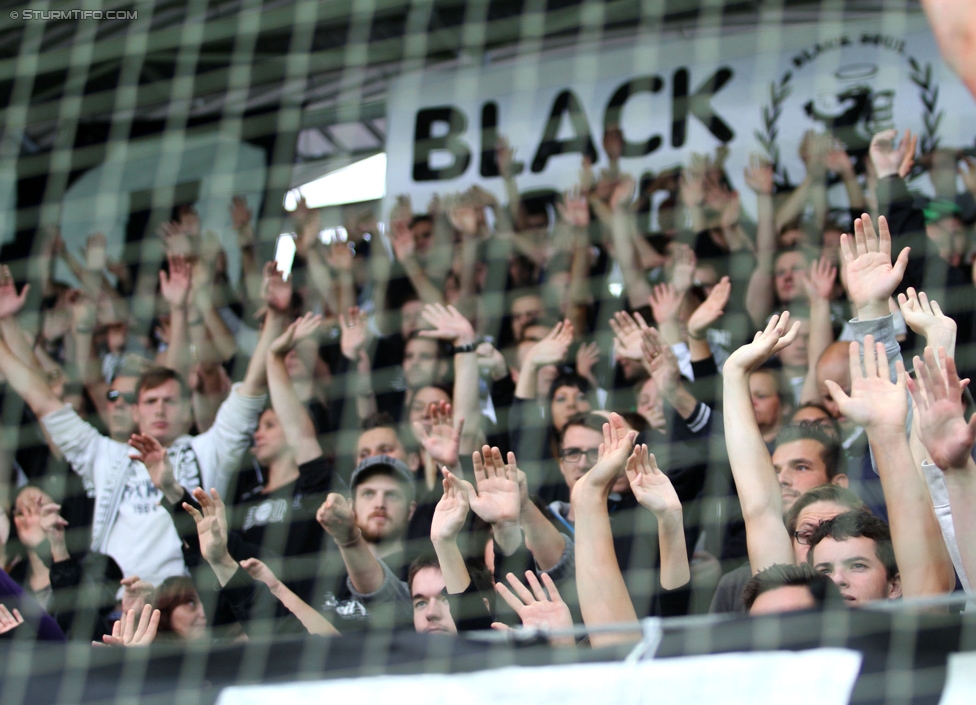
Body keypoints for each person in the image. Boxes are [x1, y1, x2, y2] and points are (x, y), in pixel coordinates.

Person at [0, 263, 288, 586]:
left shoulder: (209, 448)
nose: (160, 409)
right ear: (135, 410)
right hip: (119, 608)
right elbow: (43, 401)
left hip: (190, 603)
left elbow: (250, 389)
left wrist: (276, 319)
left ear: (188, 411)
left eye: (170, 401)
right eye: (150, 402)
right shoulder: (103, 454)